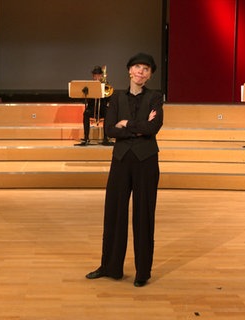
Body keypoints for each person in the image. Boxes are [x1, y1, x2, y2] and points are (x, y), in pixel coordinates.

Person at [85, 53, 163, 287]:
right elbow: (110, 129)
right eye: (137, 67)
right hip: (120, 160)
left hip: (146, 160)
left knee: (144, 215)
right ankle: (111, 267)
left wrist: (126, 123)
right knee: (114, 213)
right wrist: (138, 128)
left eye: (146, 69)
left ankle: (142, 272)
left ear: (150, 75)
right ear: (129, 70)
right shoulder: (117, 98)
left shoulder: (155, 98)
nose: (141, 71)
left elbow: (153, 127)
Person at [76, 66, 113, 146]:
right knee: (86, 113)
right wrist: (86, 93)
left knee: (108, 112)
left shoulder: (106, 85)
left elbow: (109, 99)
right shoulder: (89, 86)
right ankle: (86, 137)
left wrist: (104, 92)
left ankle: (106, 138)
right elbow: (85, 100)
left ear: (101, 76)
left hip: (102, 108)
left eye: (99, 75)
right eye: (95, 75)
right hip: (92, 108)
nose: (97, 77)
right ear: (93, 76)